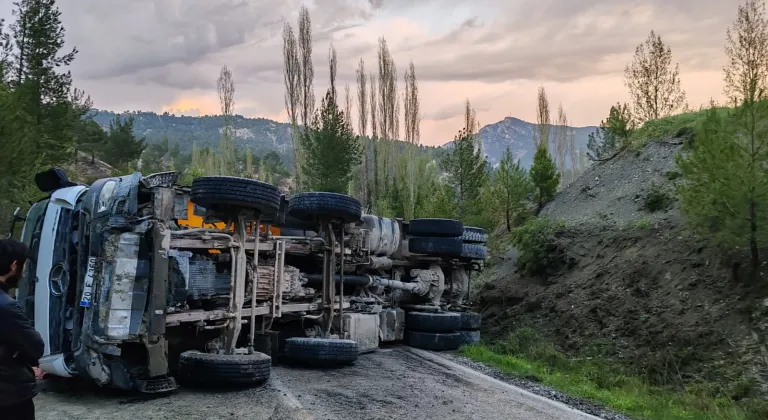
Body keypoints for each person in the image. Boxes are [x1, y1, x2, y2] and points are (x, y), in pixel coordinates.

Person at [0, 239, 43, 420]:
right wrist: (23, 360)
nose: (24, 272)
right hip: (8, 395)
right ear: (14, 265)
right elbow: (35, 346)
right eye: (23, 266)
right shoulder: (6, 306)